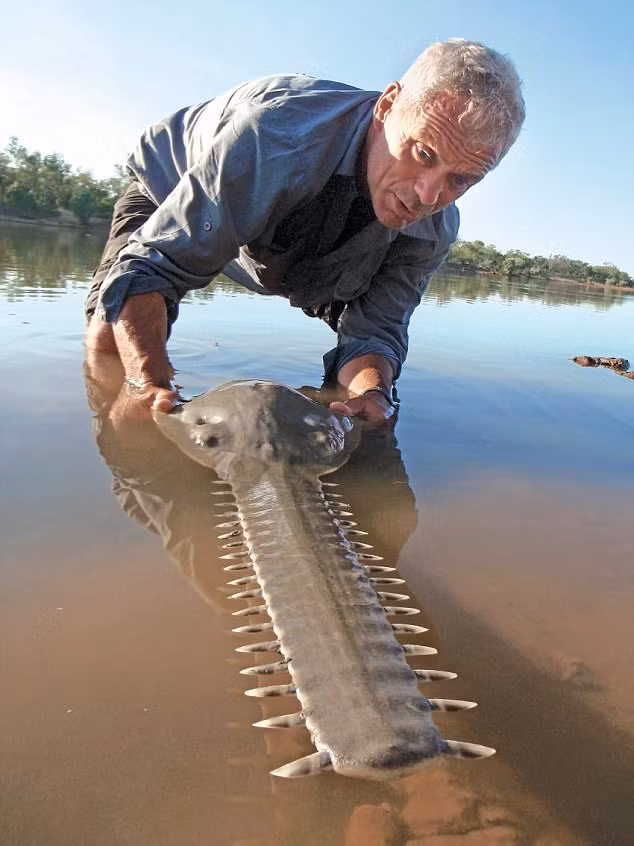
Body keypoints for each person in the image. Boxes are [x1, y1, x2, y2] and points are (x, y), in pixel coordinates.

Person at [85, 38, 524, 424]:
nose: (429, 195)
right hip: (174, 188)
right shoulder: (277, 136)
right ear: (387, 106)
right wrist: (148, 388)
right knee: (112, 343)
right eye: (424, 153)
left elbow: (375, 330)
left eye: (460, 179)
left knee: (365, 408)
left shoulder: (434, 227)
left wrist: (373, 397)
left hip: (303, 245)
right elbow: (151, 269)